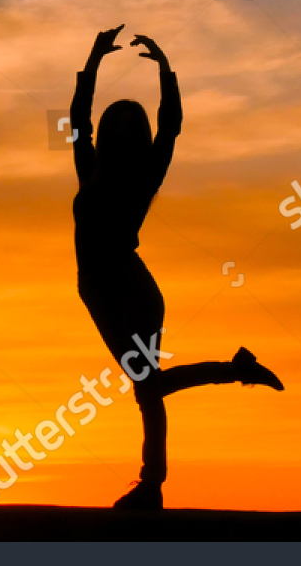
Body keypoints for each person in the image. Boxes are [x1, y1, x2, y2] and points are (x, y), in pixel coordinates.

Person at [71, 25, 283, 510]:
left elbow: (172, 127)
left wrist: (166, 71)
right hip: (94, 288)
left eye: (132, 125)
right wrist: (94, 60)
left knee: (147, 389)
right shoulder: (91, 169)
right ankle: (233, 373)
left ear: (142, 137)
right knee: (148, 388)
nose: (123, 132)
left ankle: (152, 485)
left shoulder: (146, 174)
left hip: (130, 286)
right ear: (105, 135)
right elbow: (78, 120)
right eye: (116, 125)